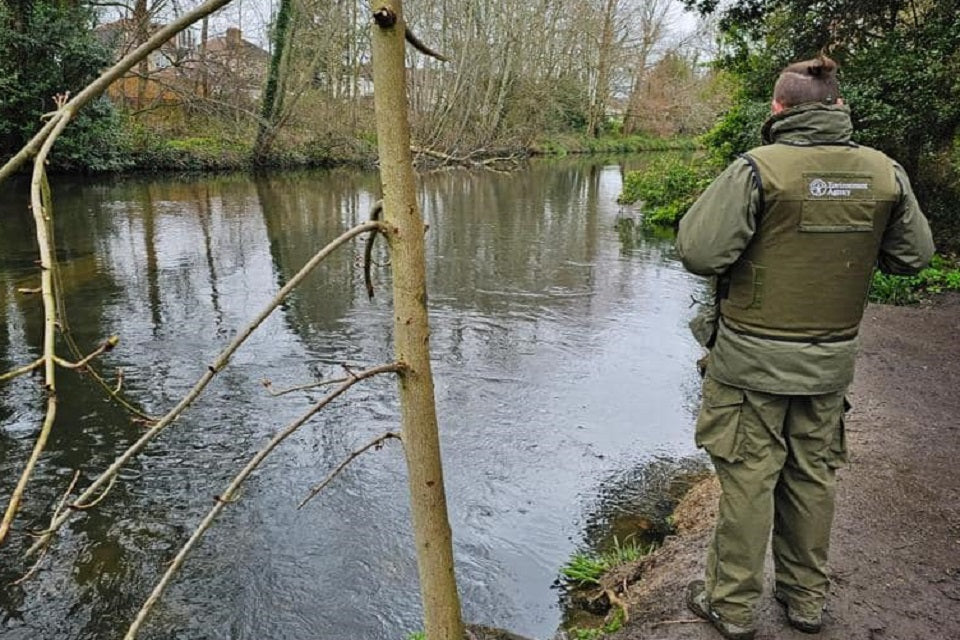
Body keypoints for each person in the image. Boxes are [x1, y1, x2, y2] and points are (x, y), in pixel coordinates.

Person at [676, 55, 935, 640]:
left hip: (749, 365)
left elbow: (699, 252)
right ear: (839, 108)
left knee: (748, 479)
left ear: (778, 109)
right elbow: (913, 257)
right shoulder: (884, 173)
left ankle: (732, 606)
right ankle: (805, 601)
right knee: (813, 476)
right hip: (828, 364)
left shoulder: (757, 170)